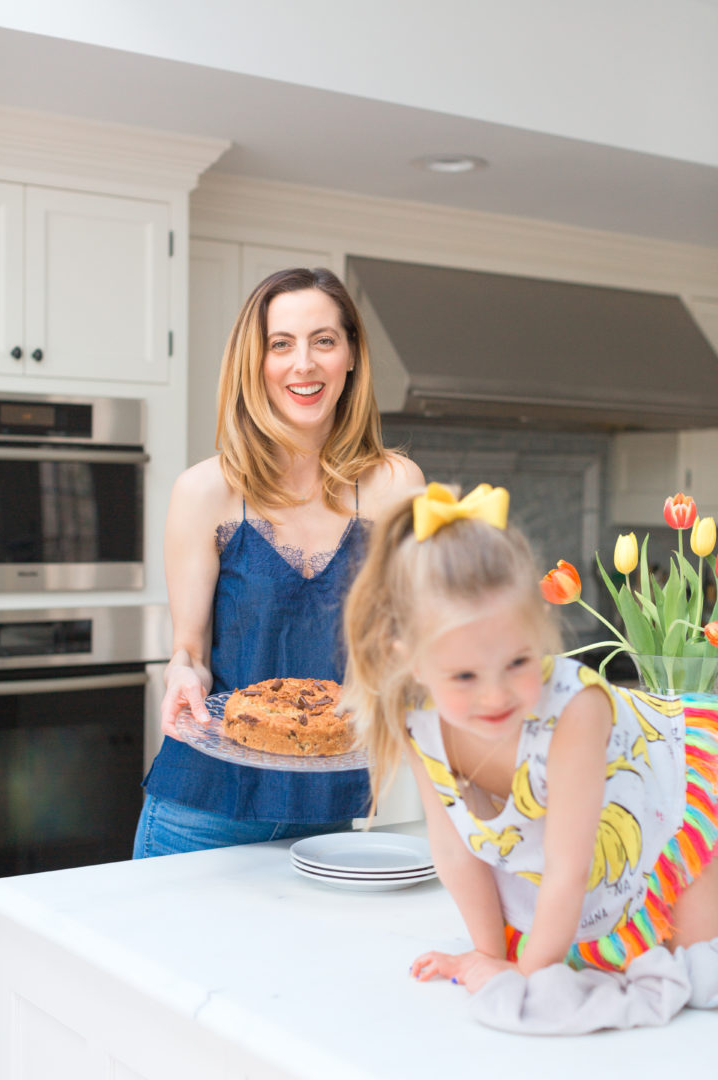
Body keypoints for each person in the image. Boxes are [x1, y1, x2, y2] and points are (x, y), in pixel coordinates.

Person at [342, 481, 718, 992]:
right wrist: (487, 955)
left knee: (698, 968)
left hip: (681, 792)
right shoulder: (416, 720)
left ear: (540, 627)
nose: (495, 696)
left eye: (518, 662)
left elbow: (570, 866)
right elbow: (455, 852)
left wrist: (523, 974)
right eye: (465, 676)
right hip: (583, 871)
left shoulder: (574, 713)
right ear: (409, 660)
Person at [134, 267, 424, 857]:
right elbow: (189, 652)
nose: (304, 364)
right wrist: (183, 676)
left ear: (351, 357)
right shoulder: (204, 492)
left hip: (329, 807)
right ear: (255, 362)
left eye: (324, 340)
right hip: (203, 809)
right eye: (280, 344)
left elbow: (405, 638)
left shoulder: (397, 486)